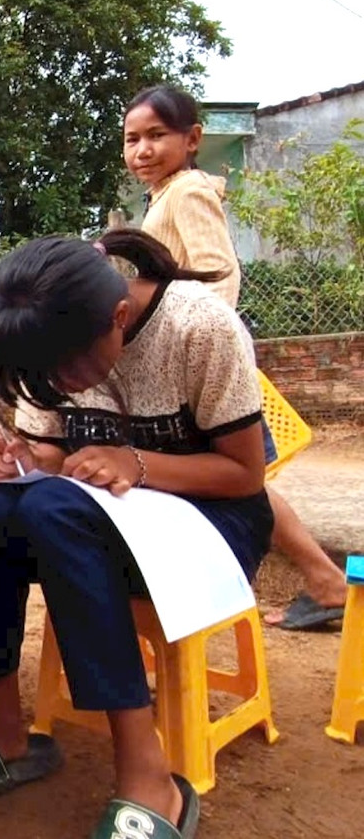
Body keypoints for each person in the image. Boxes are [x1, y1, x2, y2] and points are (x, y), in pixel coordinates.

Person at [0, 231, 273, 838]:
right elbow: (51, 454)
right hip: (95, 524)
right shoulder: (53, 346)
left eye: (66, 374)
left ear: (118, 318)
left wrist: (136, 463)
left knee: (52, 509)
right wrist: (21, 460)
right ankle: (3, 731)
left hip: (214, 524)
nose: (59, 388)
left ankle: (148, 775)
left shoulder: (198, 328)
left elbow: (244, 475)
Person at [124, 84, 347, 630]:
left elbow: (219, 275)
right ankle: (324, 580)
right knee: (239, 480)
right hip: (193, 364)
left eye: (157, 135)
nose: (143, 150)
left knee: (236, 478)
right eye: (132, 139)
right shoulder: (162, 197)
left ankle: (324, 580)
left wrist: (196, 349)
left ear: (192, 139)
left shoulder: (187, 193)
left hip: (203, 369)